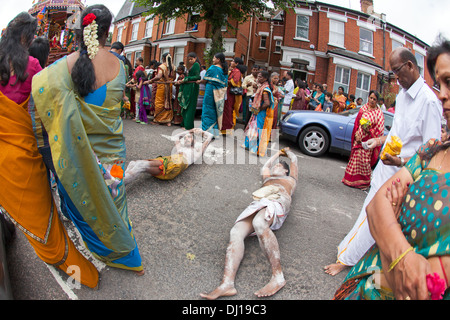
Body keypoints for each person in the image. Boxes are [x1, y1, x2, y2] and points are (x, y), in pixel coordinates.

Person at [32, 5, 144, 276]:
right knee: (115, 202)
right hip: (113, 154)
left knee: (85, 201)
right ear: (108, 30)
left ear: (81, 28)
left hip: (81, 159)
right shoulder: (119, 65)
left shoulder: (64, 67)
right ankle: (124, 249)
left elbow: (40, 87)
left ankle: (109, 250)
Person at [334, 37, 450, 300]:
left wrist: (400, 164)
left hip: (401, 171)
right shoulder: (402, 96)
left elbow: (430, 145)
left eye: (397, 71)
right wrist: (379, 142)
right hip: (387, 169)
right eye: (440, 83)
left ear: (410, 66)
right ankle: (347, 255)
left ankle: (346, 258)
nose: (442, 93)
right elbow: (378, 210)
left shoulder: (430, 103)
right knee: (369, 215)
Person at [0, 12, 99, 288]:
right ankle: (65, 261)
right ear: (29, 37)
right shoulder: (32, 66)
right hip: (23, 148)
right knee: (41, 211)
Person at [200, 147, 298, 300]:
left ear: (286, 171)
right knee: (236, 232)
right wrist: (276, 154)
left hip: (277, 200)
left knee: (259, 222)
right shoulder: (267, 178)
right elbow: (265, 166)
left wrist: (287, 152)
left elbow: (294, 162)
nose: (275, 167)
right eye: (276, 165)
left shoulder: (290, 180)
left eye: (279, 166)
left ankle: (278, 277)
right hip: (260, 201)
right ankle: (227, 284)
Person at [124, 128, 214, 183]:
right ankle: (119, 182)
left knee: (140, 165)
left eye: (189, 137)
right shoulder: (180, 148)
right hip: (170, 160)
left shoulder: (197, 151)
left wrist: (200, 132)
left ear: (194, 140)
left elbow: (209, 136)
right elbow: (176, 136)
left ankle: (118, 185)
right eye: (185, 137)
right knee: (133, 163)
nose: (186, 138)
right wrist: (190, 131)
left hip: (176, 165)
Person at [342, 90, 385, 190]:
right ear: (368, 97)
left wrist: (369, 129)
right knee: (355, 159)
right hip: (359, 138)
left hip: (368, 141)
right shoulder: (363, 109)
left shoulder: (379, 114)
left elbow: (380, 130)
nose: (372, 100)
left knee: (365, 163)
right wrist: (357, 135)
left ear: (377, 101)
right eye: (371, 98)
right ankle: (350, 180)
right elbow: (357, 124)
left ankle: (364, 183)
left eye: (374, 99)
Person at [243, 70, 275, 157]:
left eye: (260, 77)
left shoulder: (265, 89)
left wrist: (259, 109)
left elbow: (267, 103)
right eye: (258, 76)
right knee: (253, 128)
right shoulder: (261, 87)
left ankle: (257, 149)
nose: (258, 78)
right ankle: (249, 146)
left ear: (265, 78)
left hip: (262, 113)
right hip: (258, 112)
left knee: (258, 130)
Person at [198, 52, 228, 136]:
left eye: (214, 58)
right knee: (215, 111)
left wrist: (199, 81)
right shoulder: (224, 70)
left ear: (218, 60)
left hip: (210, 91)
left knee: (207, 109)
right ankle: (214, 132)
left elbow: (204, 80)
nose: (213, 59)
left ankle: (207, 131)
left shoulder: (213, 68)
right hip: (219, 94)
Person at [148, 52, 174, 126]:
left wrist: (151, 80)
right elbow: (174, 77)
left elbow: (159, 76)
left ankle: (158, 120)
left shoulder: (162, 66)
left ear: (163, 58)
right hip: (169, 86)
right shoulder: (173, 67)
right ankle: (168, 121)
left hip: (162, 86)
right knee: (168, 102)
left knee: (159, 102)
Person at [178, 52, 201, 130]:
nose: (190, 61)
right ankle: (184, 124)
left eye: (191, 59)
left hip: (193, 88)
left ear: (195, 58)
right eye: (189, 59)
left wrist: (186, 79)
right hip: (189, 87)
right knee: (186, 107)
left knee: (190, 107)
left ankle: (188, 126)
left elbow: (197, 76)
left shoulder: (196, 65)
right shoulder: (193, 65)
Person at [223, 57, 244, 133]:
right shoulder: (234, 70)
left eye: (233, 61)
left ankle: (227, 129)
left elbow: (234, 81)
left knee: (228, 110)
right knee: (227, 110)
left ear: (236, 63)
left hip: (231, 94)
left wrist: (226, 80)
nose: (231, 62)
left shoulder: (237, 71)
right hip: (228, 93)